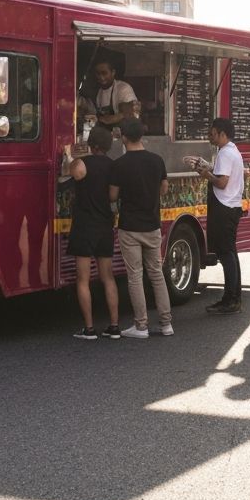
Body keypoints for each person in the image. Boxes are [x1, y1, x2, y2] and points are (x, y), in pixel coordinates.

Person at [108, 118, 173, 337]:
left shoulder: (119, 164)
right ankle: (166, 324)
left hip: (130, 226)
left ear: (124, 137)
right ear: (142, 136)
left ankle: (141, 325)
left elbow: (113, 195)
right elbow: (164, 188)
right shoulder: (157, 160)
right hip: (152, 225)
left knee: (135, 275)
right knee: (156, 274)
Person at [67, 124, 121, 340]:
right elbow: (113, 197)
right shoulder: (113, 166)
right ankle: (114, 326)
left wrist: (71, 155)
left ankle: (89, 329)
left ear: (91, 144)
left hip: (84, 224)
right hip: (104, 224)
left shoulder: (83, 163)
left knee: (83, 279)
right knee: (107, 276)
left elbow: (71, 172)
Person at [195, 118, 245, 315]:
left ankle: (231, 299)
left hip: (224, 208)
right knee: (230, 254)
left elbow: (222, 182)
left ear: (222, 133)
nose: (210, 137)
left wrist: (205, 173)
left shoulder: (225, 153)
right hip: (232, 207)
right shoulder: (233, 151)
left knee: (227, 254)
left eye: (212, 133)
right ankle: (233, 297)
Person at [93, 59, 138, 129]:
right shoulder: (99, 92)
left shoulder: (123, 88)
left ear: (113, 72)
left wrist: (112, 119)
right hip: (107, 134)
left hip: (125, 133)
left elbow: (133, 111)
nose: (101, 77)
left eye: (104, 73)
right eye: (98, 74)